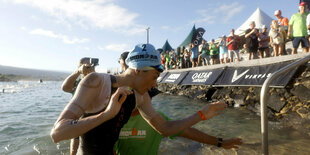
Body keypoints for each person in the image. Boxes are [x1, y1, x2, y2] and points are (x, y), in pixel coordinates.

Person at [50, 43, 228, 154]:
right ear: (137, 70)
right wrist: (106, 114)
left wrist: (202, 114)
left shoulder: (139, 96)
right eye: (154, 76)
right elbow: (58, 133)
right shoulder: (97, 82)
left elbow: (165, 128)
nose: (154, 84)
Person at [114, 51, 243, 155]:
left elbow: (188, 132)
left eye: (150, 96)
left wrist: (220, 142)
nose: (149, 99)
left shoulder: (156, 119)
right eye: (147, 92)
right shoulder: (116, 117)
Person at [61, 57, 97, 155]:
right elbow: (64, 87)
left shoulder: (100, 80)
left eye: (89, 66)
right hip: (78, 118)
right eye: (84, 66)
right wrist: (78, 71)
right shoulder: (77, 84)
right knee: (75, 145)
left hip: (96, 119)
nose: (87, 68)